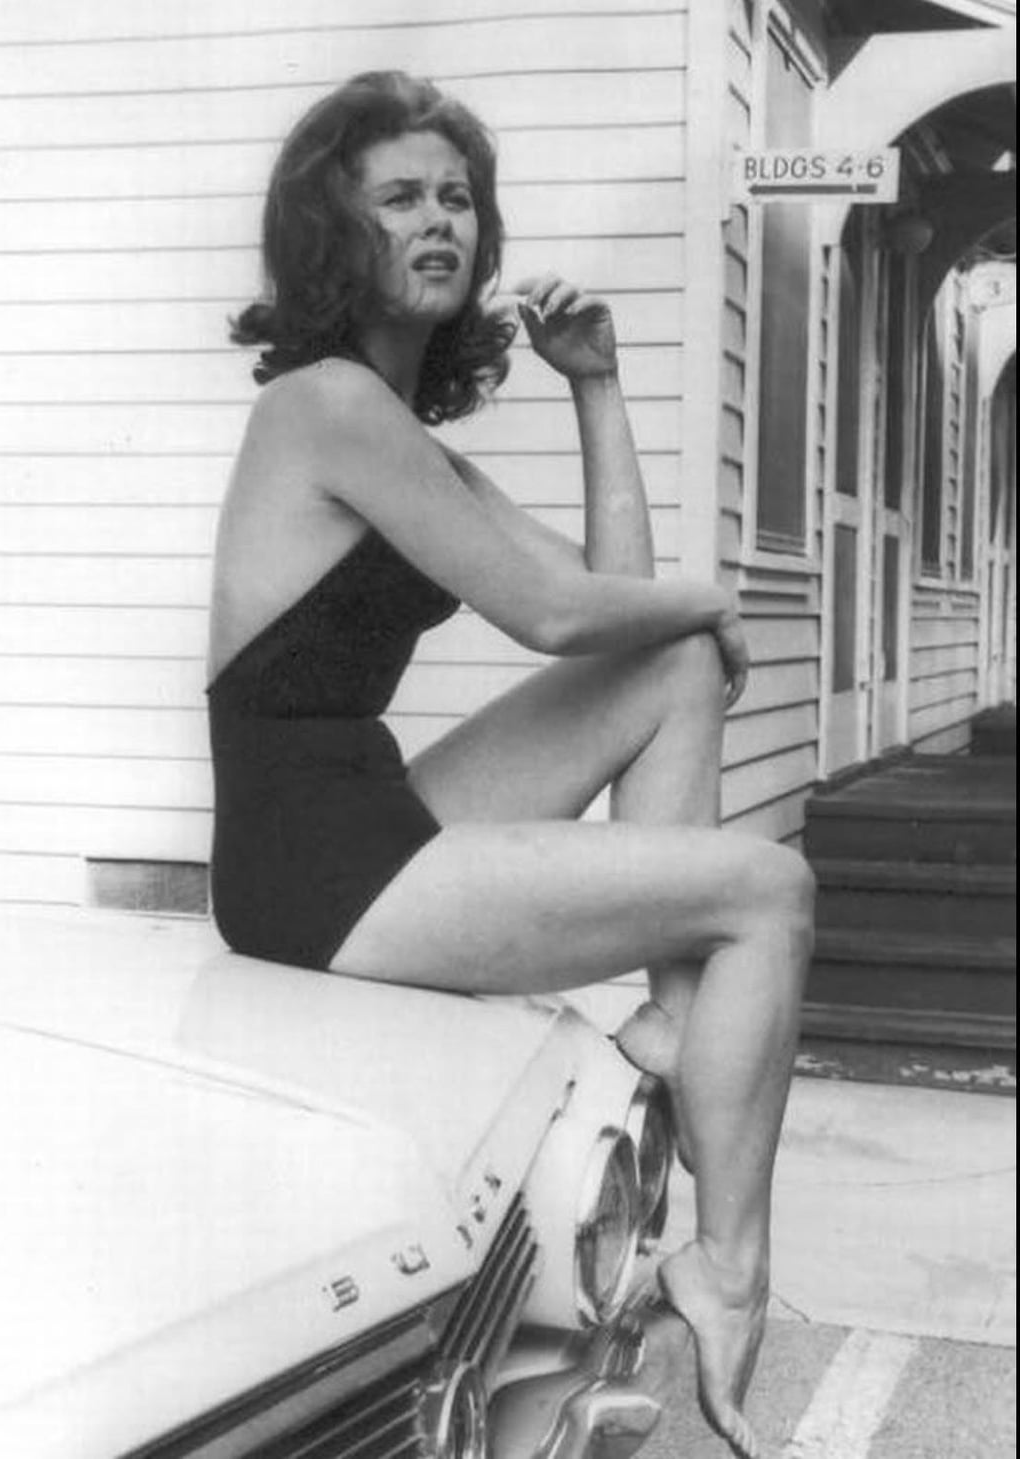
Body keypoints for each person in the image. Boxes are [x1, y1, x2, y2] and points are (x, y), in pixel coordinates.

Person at [206, 70, 814, 1459]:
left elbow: (618, 605)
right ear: (333, 232)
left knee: (671, 663)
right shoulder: (324, 406)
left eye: (458, 197)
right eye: (400, 198)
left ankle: (675, 1023)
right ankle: (728, 1269)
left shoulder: (393, 429)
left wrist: (596, 384)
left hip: (365, 807)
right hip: (310, 864)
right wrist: (714, 600)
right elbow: (553, 614)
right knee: (768, 889)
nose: (442, 221)